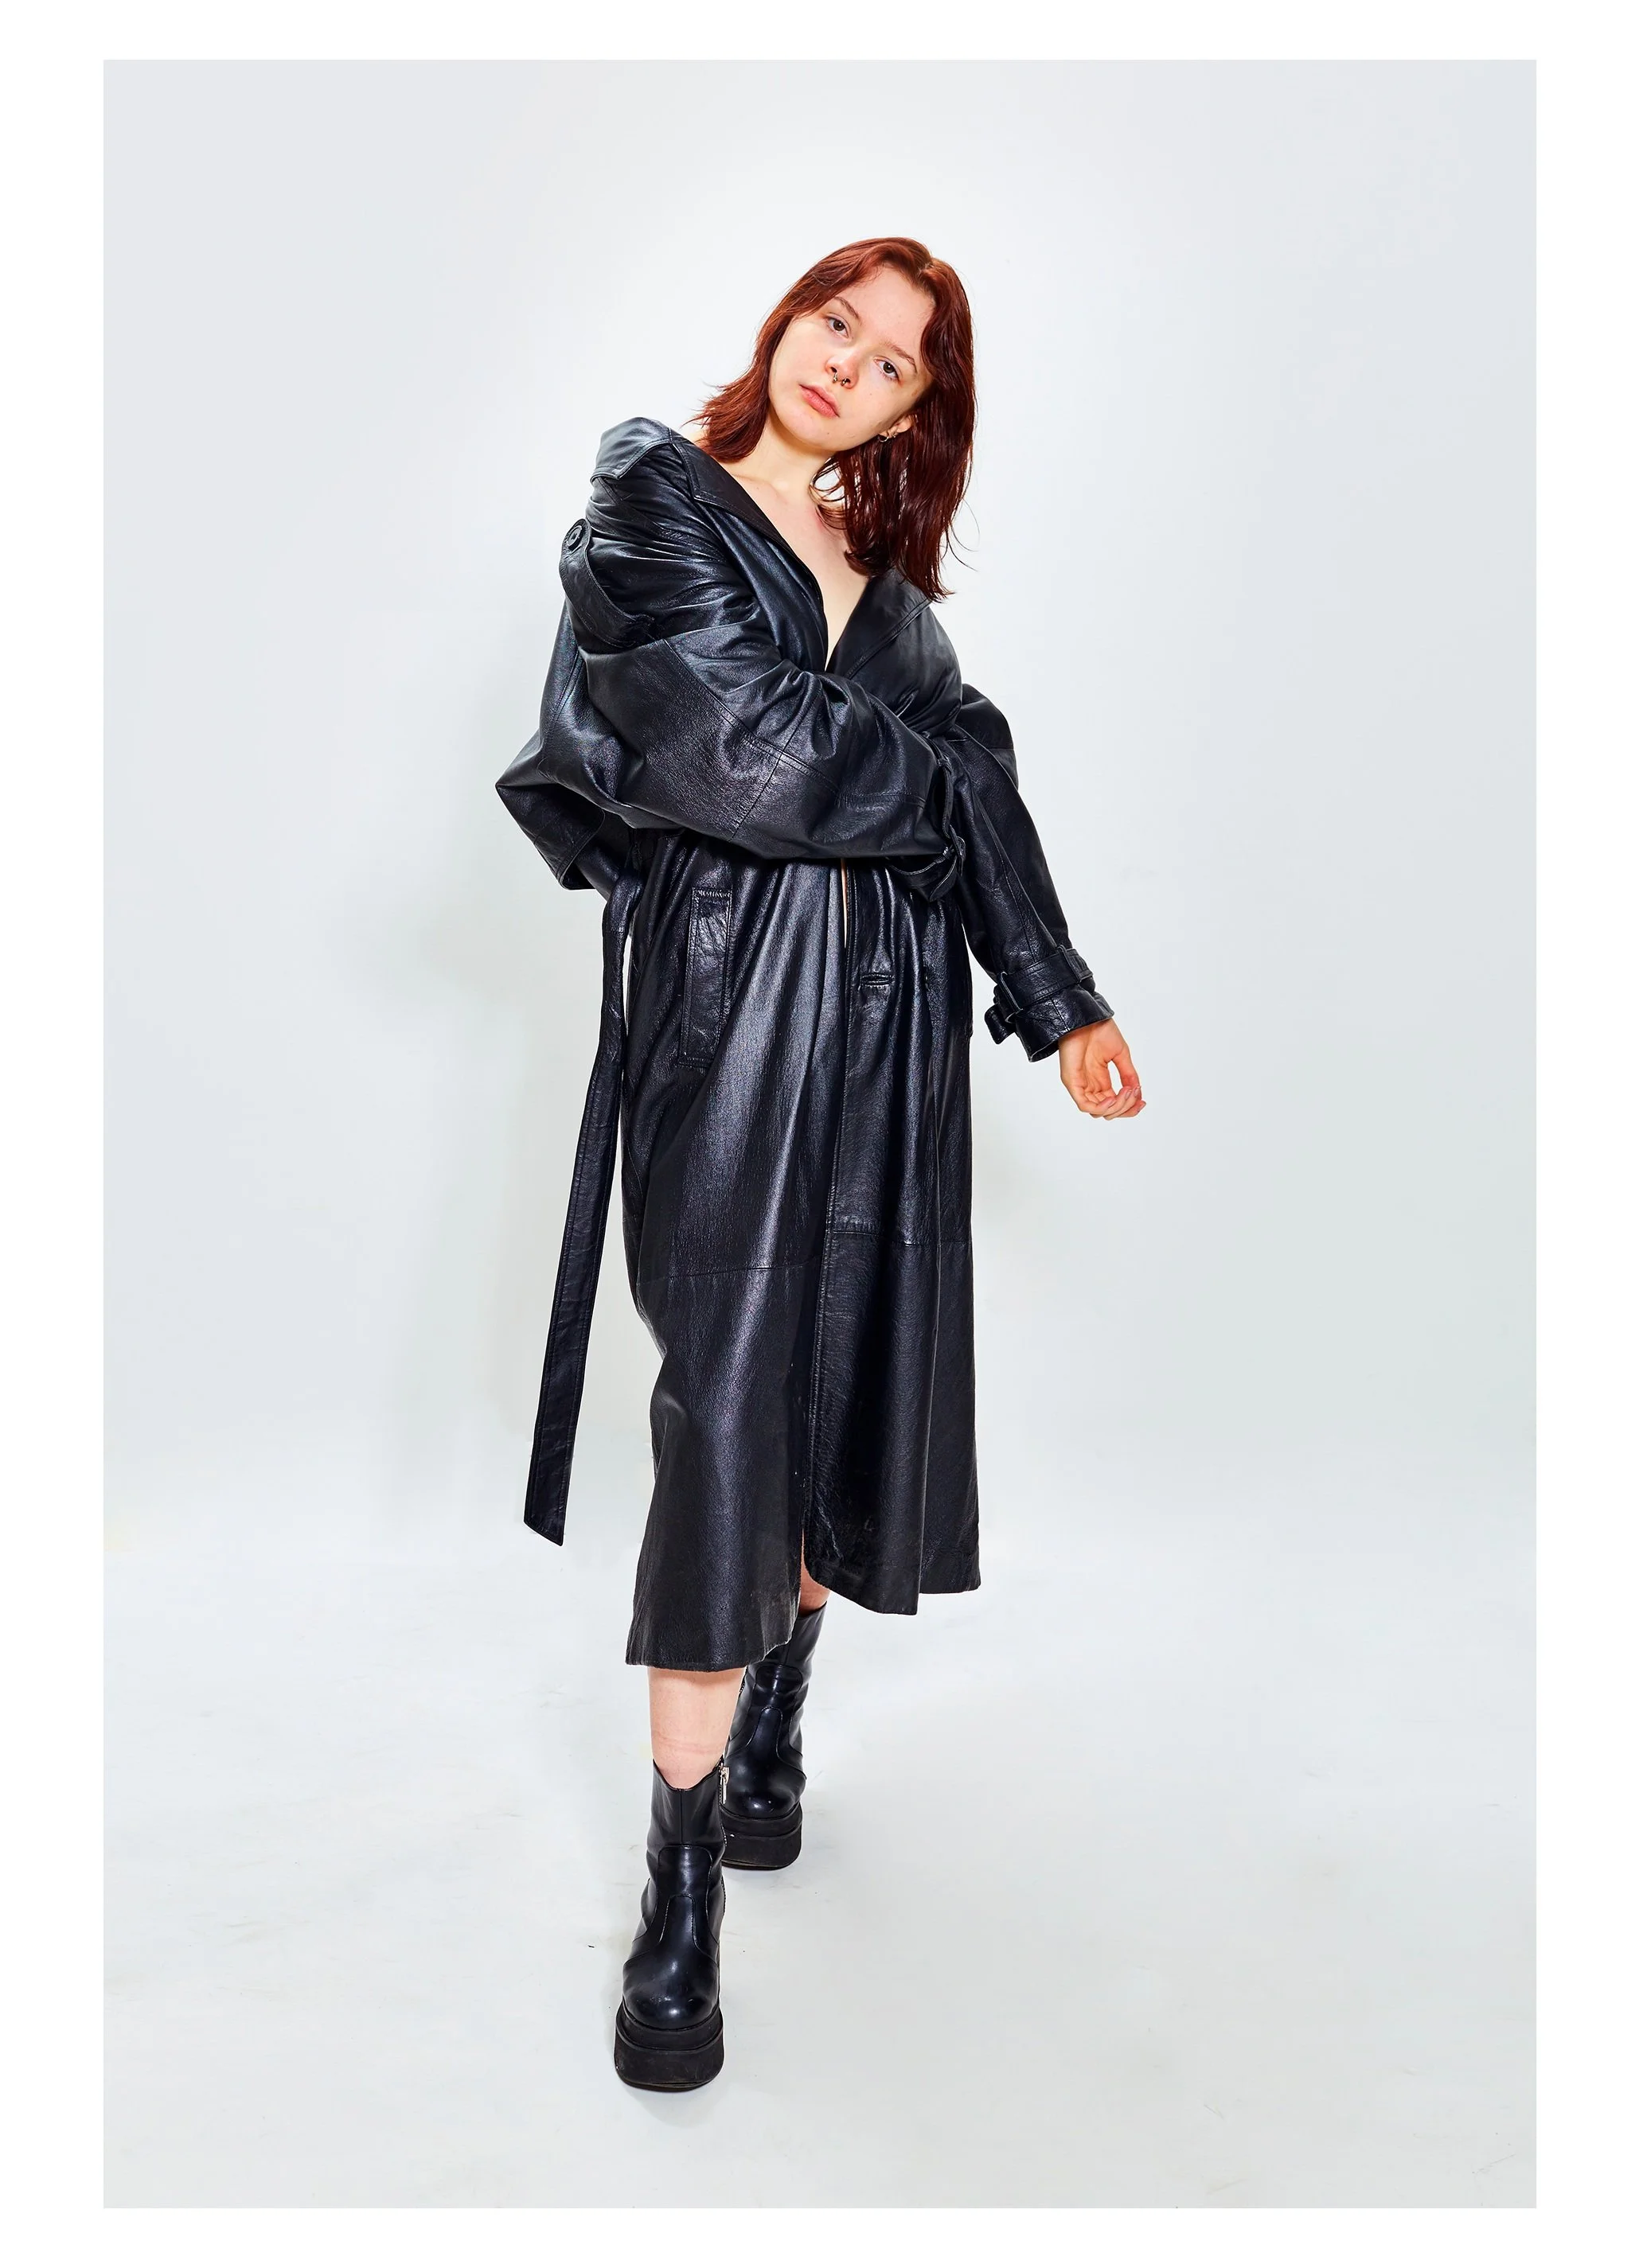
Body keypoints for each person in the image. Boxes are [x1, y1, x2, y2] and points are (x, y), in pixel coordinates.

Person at [497, 236, 1145, 2091]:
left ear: (918, 414)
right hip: (730, 1023)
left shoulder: (899, 601)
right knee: (728, 1423)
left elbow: (970, 772)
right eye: (836, 323)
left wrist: (1056, 994)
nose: (845, 366)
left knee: (842, 1382)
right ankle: (681, 1888)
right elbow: (750, 752)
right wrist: (942, 784)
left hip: (895, 1033)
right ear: (788, 320)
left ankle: (778, 1721)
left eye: (893, 363)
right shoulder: (655, 503)